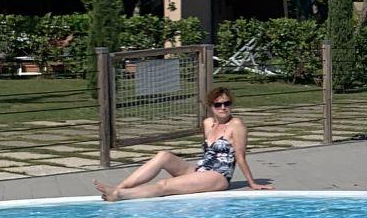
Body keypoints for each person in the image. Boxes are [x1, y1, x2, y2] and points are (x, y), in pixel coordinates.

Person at [96, 86, 271, 202]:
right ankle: (118, 187)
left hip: (218, 176)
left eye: (227, 103)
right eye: (218, 104)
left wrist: (252, 183)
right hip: (201, 170)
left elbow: (240, 157)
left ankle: (120, 194)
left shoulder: (237, 125)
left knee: (165, 185)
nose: (223, 107)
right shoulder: (208, 123)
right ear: (211, 107)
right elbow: (208, 154)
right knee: (164, 155)